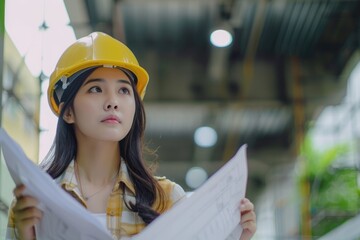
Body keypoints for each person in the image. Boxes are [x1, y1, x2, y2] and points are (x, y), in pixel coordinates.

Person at [6, 32, 256, 240]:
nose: (113, 102)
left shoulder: (167, 199)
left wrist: (239, 235)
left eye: (124, 90)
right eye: (95, 89)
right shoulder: (35, 200)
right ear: (67, 110)